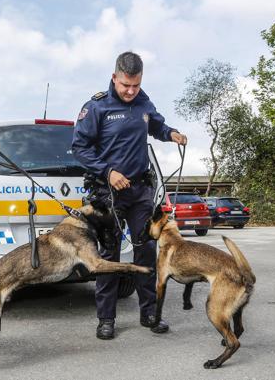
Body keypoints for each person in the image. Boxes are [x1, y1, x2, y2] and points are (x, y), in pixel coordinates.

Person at [72, 51, 187, 340]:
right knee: (109, 255)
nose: (130, 91)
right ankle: (106, 318)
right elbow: (80, 148)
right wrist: (108, 171)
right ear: (114, 77)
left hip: (140, 192)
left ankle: (149, 312)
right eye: (125, 85)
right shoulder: (96, 107)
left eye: (135, 85)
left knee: (146, 251)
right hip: (107, 192)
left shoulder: (144, 102)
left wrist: (171, 133)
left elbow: (157, 125)